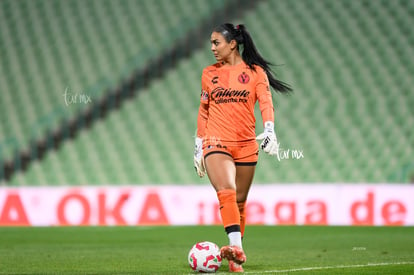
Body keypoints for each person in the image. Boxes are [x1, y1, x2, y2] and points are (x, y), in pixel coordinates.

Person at [193, 23, 292, 272]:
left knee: (239, 201)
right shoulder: (208, 73)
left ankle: (235, 258)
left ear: (232, 44)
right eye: (211, 43)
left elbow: (266, 102)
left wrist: (269, 130)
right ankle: (236, 249)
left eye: (216, 43)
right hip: (216, 141)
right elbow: (203, 111)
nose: (212, 48)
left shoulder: (256, 73)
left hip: (247, 144)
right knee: (226, 190)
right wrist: (198, 145)